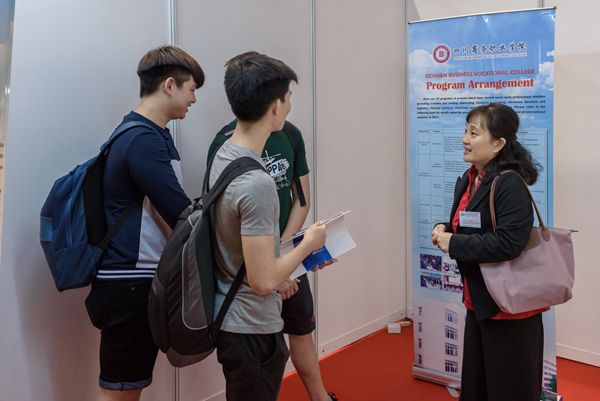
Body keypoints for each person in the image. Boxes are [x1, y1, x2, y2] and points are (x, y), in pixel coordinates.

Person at [210, 51, 332, 401]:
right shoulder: (257, 183)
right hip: (250, 321)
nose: (290, 105)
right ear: (275, 106)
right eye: (288, 97)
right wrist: (308, 244)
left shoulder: (225, 156)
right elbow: (264, 280)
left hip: (234, 314)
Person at [84, 46, 204, 401]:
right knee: (119, 392)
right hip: (129, 284)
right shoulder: (142, 138)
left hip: (135, 280)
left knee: (128, 388)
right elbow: (180, 213)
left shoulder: (147, 134)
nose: (194, 99)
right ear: (169, 85)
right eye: (191, 89)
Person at [431, 103, 546, 401]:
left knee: (509, 388)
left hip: (509, 310)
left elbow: (509, 243)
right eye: (465, 131)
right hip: (480, 301)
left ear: (498, 144)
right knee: (478, 386)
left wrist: (454, 243)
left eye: (473, 133)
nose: (464, 139)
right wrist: (445, 228)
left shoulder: (509, 183)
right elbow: (473, 225)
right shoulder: (471, 177)